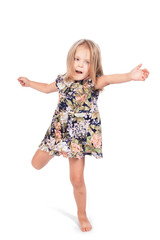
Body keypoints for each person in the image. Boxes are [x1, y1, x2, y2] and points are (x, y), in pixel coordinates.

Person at [17, 39, 149, 232]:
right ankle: (58, 149)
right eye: (76, 59)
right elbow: (46, 88)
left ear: (93, 65)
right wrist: (29, 83)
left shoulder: (94, 82)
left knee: (77, 180)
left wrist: (130, 75)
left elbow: (111, 79)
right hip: (58, 134)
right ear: (70, 60)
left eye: (86, 62)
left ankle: (82, 213)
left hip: (78, 140)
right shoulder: (63, 81)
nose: (79, 64)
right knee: (35, 165)